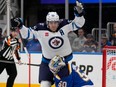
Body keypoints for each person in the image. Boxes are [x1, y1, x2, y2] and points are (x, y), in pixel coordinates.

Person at [11, 1, 85, 87]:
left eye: (55, 22)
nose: (53, 25)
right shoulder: (40, 28)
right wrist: (20, 26)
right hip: (46, 63)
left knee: (64, 85)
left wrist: (79, 15)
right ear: (47, 22)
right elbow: (27, 34)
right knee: (44, 84)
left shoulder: (64, 24)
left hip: (62, 63)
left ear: (58, 21)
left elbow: (78, 24)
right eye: (51, 22)